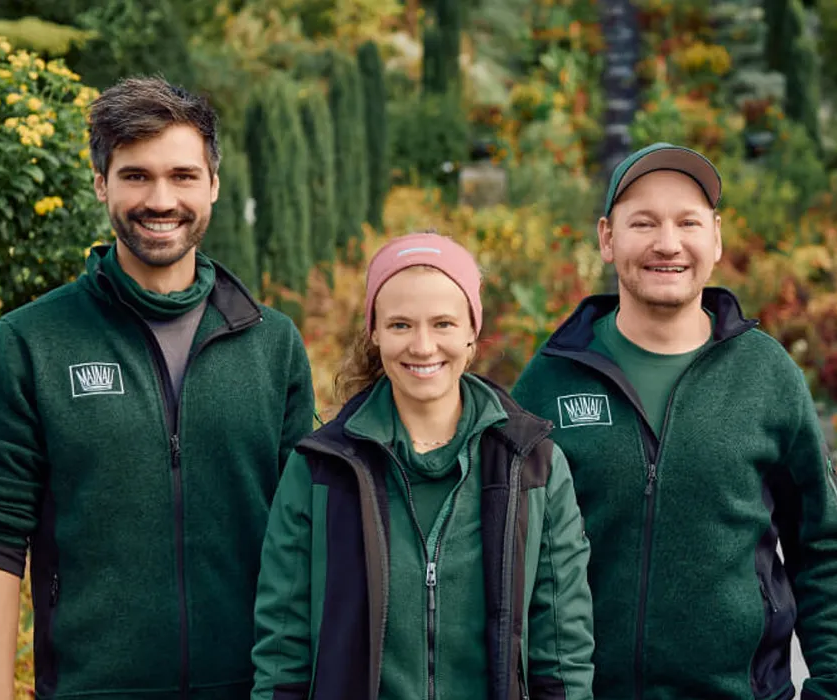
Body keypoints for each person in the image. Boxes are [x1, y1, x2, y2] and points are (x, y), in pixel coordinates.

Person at [0, 77, 315, 699]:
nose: (160, 198)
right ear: (102, 184)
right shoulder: (30, 343)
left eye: (182, 175)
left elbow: (305, 535)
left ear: (213, 186)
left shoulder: (272, 344)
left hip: (252, 690)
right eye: (136, 176)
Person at [511, 143, 837, 699]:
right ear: (607, 238)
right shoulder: (550, 383)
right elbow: (508, 560)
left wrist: (834, 687)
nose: (667, 243)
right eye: (643, 222)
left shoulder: (766, 375)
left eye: (688, 222)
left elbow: (824, 548)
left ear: (715, 237)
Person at [251, 232, 595, 700]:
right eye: (400, 325)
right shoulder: (319, 471)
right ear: (374, 331)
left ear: (473, 331)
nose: (423, 345)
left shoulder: (532, 466)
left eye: (443, 324)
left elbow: (562, 651)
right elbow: (281, 653)